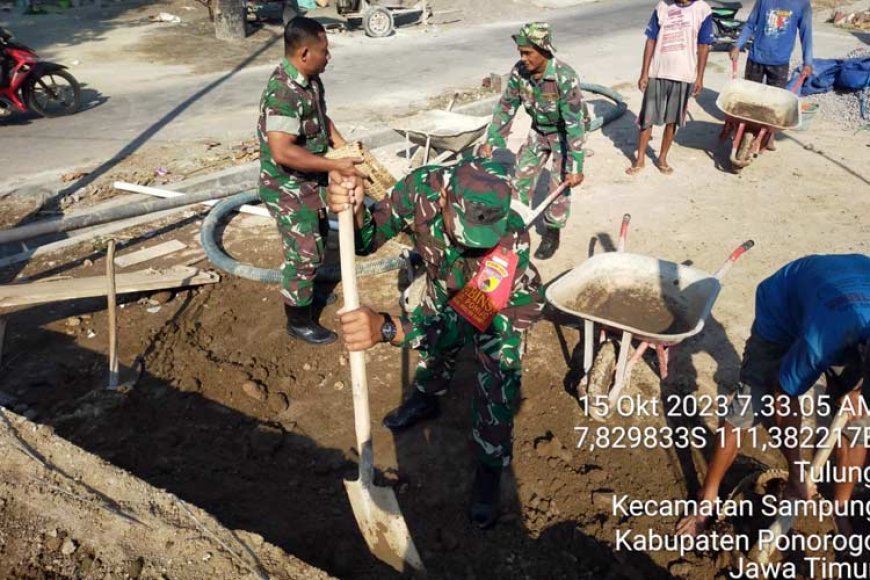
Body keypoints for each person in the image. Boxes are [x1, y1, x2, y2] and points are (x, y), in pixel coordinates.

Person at [327, 158, 545, 529]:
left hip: (502, 303)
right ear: (444, 197)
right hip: (444, 279)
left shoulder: (510, 241)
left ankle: (491, 468)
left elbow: (459, 324)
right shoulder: (419, 189)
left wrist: (386, 328)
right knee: (434, 348)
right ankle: (427, 397)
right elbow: (365, 241)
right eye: (463, 234)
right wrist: (355, 209)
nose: (471, 245)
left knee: (497, 382)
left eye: (480, 239)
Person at [676, 254, 870, 537]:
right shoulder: (821, 341)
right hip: (784, 306)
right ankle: (708, 496)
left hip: (844, 295)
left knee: (859, 426)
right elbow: (783, 394)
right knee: (752, 404)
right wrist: (796, 472)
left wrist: (855, 392)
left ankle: (839, 511)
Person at [257, 16, 361, 345]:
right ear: (304, 53)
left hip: (307, 182)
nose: (328, 56)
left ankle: (307, 294)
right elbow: (282, 151)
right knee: (303, 253)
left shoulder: (311, 81)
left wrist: (343, 149)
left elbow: (320, 118)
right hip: (286, 187)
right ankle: (298, 320)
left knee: (317, 240)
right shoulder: (282, 93)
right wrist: (332, 166)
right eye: (324, 51)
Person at [479, 22, 586, 261]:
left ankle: (552, 232)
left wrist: (576, 167)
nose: (523, 58)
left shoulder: (564, 78)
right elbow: (506, 106)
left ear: (544, 50)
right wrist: (492, 140)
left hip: (564, 134)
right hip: (538, 131)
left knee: (559, 186)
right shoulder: (520, 73)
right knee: (520, 178)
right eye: (521, 53)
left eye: (528, 53)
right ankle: (516, 227)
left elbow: (574, 126)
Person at [626, 0, 713, 176]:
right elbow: (651, 40)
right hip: (658, 72)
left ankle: (662, 157)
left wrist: (699, 78)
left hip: (683, 75)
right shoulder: (662, 7)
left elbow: (704, 46)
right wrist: (644, 73)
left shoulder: (703, 10)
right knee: (647, 118)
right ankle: (640, 158)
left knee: (672, 120)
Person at [730, 0, 813, 150]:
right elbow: (750, 24)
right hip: (756, 57)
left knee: (774, 105)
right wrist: (737, 45)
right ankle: (747, 129)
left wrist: (808, 62)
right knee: (750, 100)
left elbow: (806, 34)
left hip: (780, 62)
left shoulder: (802, 4)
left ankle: (770, 134)